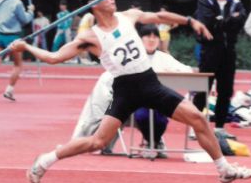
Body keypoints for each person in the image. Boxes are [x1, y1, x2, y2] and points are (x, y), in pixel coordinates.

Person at [10, 0, 251, 183]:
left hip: (150, 83)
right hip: (125, 90)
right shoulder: (90, 36)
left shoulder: (128, 16)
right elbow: (54, 58)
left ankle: (223, 169)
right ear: (93, 5)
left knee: (198, 118)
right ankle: (45, 160)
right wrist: (25, 46)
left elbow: (159, 15)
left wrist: (190, 21)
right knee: (98, 141)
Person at [72, 24, 193, 158]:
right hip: (129, 105)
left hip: (158, 105)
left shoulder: (164, 57)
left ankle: (154, 142)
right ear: (139, 40)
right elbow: (109, 78)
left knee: (160, 116)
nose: (152, 40)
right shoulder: (130, 58)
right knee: (139, 113)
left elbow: (188, 71)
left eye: (155, 36)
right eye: (147, 36)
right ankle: (84, 142)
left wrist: (171, 72)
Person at [192, 0, 247, 140]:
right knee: (203, 89)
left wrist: (220, 21)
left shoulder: (237, 3)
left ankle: (220, 128)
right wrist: (229, 20)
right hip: (209, 51)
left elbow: (239, 23)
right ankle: (196, 127)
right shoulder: (205, 1)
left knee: (226, 90)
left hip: (228, 52)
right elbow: (206, 22)